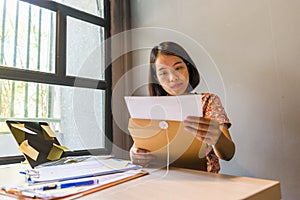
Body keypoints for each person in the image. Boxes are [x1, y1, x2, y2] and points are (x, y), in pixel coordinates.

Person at [129, 41, 235, 173]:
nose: (173, 78)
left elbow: (228, 154)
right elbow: (139, 148)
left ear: (188, 68)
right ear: (156, 78)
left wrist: (217, 137)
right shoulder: (152, 107)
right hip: (159, 179)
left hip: (202, 182)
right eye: (163, 73)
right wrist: (135, 154)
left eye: (178, 68)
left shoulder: (208, 101)